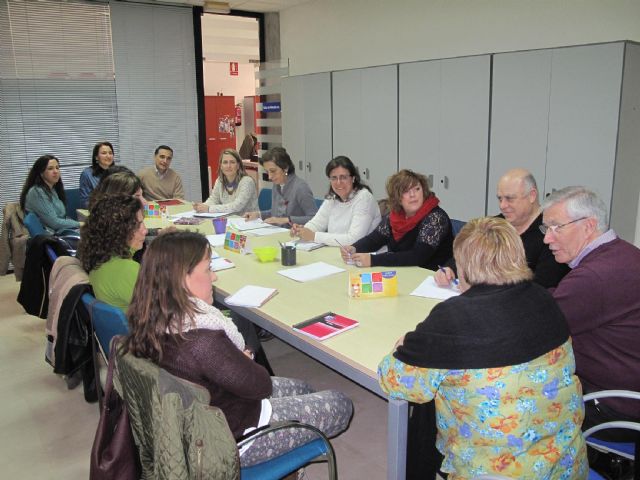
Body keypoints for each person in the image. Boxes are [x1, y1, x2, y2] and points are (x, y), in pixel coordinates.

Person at [378, 216, 587, 479]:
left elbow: (397, 383)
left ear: (462, 264)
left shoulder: (453, 317)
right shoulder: (544, 299)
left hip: (491, 472)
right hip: (565, 466)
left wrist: (404, 345)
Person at [121, 231, 353, 466]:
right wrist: (247, 356)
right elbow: (261, 385)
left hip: (205, 415)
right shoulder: (204, 341)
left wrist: (236, 360)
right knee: (340, 403)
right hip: (229, 439)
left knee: (303, 387)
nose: (214, 277)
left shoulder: (154, 318)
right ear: (182, 278)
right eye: (207, 269)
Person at [542, 186, 640, 438]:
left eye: (556, 227)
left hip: (616, 406)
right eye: (546, 228)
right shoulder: (625, 253)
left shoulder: (594, 276)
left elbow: (536, 325)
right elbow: (565, 299)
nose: (546, 239)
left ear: (588, 226)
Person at [435, 168, 568, 288]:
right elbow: (467, 252)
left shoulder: (551, 234)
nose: (503, 205)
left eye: (510, 199)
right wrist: (450, 269)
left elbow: (542, 285)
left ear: (532, 195)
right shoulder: (495, 224)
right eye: (500, 199)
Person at [340, 169, 452, 270]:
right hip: (404, 273)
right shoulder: (396, 216)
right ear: (397, 198)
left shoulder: (436, 218)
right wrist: (354, 247)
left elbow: (418, 256)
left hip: (432, 279)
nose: (413, 195)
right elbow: (375, 239)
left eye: (417, 189)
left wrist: (373, 260)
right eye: (406, 191)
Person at [77, 195, 147, 312]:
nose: (145, 230)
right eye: (137, 225)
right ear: (118, 231)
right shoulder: (127, 270)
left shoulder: (99, 257)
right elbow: (164, 312)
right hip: (139, 328)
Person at [290, 155, 381, 246]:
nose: (338, 182)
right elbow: (317, 223)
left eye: (343, 177)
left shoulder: (364, 198)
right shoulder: (332, 198)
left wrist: (314, 236)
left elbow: (354, 239)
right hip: (338, 252)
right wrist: (303, 230)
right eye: (334, 178)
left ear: (353, 178)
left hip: (364, 256)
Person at [245, 147, 317, 227]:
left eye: (273, 171)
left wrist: (287, 219)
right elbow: (276, 213)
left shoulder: (301, 187)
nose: (269, 177)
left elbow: (314, 218)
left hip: (296, 235)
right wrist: (258, 214)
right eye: (267, 172)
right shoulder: (277, 185)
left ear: (285, 168)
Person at [20, 155, 80, 235]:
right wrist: (80, 224)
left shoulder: (51, 189)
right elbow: (54, 223)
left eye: (57, 168)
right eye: (50, 168)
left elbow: (61, 217)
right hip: (53, 237)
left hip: (60, 231)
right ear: (41, 173)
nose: (56, 171)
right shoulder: (37, 192)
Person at [193, 148, 258, 215]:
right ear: (221, 166)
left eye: (232, 162)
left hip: (247, 222)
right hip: (230, 220)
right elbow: (214, 199)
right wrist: (202, 206)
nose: (228, 166)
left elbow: (236, 206)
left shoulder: (247, 182)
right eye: (225, 162)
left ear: (238, 165)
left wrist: (209, 209)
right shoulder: (220, 181)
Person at [79, 142, 114, 208]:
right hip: (98, 212)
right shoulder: (87, 174)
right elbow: (85, 202)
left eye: (110, 153)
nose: (108, 156)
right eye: (104, 153)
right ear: (96, 157)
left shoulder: (118, 173)